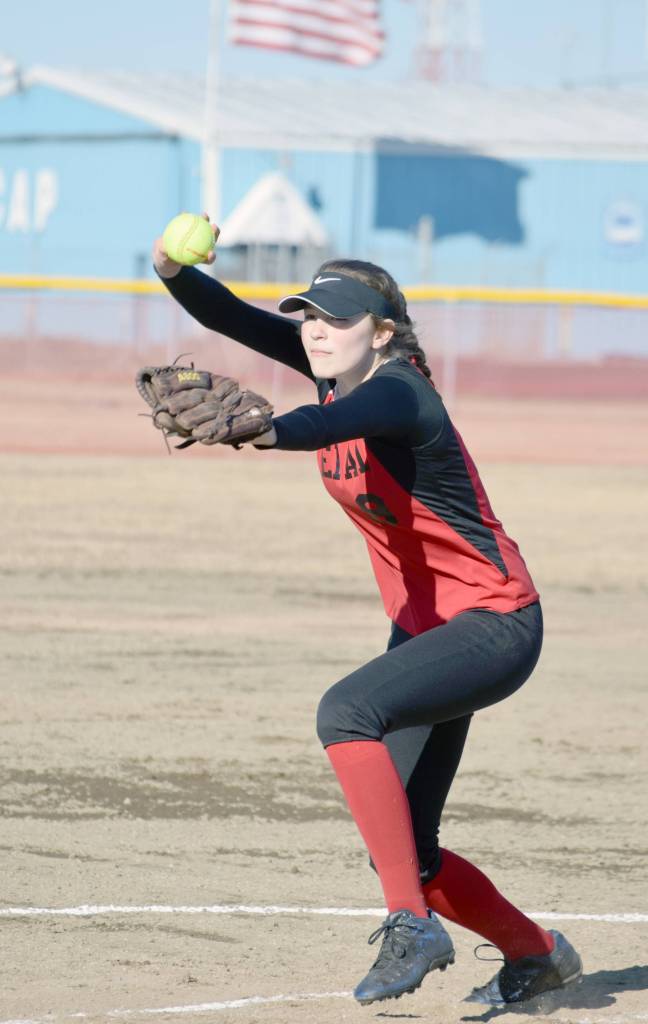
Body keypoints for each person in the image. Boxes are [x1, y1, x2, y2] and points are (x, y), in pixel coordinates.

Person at [152, 224, 583, 1008]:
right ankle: (538, 956)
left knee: (345, 712)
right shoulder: (331, 367)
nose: (316, 330)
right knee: (409, 854)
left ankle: (410, 928)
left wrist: (267, 430)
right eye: (308, 315)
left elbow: (322, 427)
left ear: (383, 332)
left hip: (494, 624)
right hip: (429, 629)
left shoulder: (399, 391)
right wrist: (167, 266)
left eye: (337, 318)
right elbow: (232, 318)